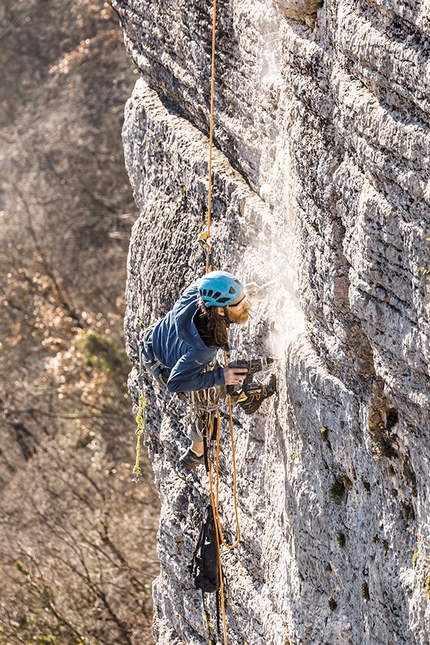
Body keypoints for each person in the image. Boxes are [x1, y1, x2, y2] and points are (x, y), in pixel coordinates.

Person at [141, 271, 276, 468]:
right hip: (166, 369)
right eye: (240, 304)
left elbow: (214, 284)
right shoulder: (204, 344)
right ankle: (198, 450)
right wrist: (221, 376)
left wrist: (240, 296)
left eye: (243, 299)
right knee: (212, 384)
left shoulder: (199, 291)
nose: (247, 305)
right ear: (221, 311)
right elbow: (176, 384)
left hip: (155, 341)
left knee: (217, 373)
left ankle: (240, 395)